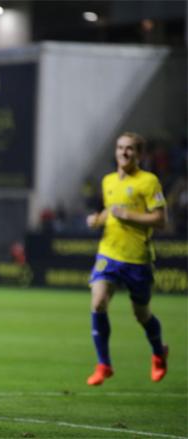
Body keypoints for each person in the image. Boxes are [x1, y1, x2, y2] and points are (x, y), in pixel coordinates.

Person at [85, 132, 168, 386]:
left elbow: (161, 220)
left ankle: (158, 353)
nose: (124, 152)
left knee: (141, 314)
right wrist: (96, 220)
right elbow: (110, 212)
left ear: (139, 154)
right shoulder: (108, 181)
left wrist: (128, 215)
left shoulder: (149, 181)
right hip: (109, 253)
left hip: (137, 259)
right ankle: (104, 364)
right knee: (98, 303)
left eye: (130, 149)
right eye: (120, 148)